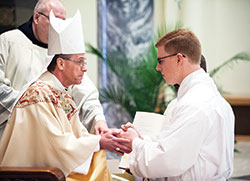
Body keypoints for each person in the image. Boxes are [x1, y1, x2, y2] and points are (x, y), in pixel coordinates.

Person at [0, 10, 131, 180]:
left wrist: (102, 136)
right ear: (60, 63)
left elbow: (76, 136)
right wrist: (98, 142)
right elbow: (55, 146)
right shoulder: (39, 95)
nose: (85, 68)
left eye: (85, 62)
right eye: (80, 62)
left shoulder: (61, 93)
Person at [119, 29, 235, 180]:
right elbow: (171, 142)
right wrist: (141, 139)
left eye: (161, 61)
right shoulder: (207, 97)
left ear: (179, 59)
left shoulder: (195, 103)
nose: (157, 67)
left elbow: (168, 160)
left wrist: (135, 143)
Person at [0, 0, 110, 145]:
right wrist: (37, 108)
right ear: (37, 18)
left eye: (63, 21)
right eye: (54, 19)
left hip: (52, 138)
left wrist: (98, 120)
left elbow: (86, 94)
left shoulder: (64, 52)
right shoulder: (8, 41)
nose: (59, 27)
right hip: (15, 134)